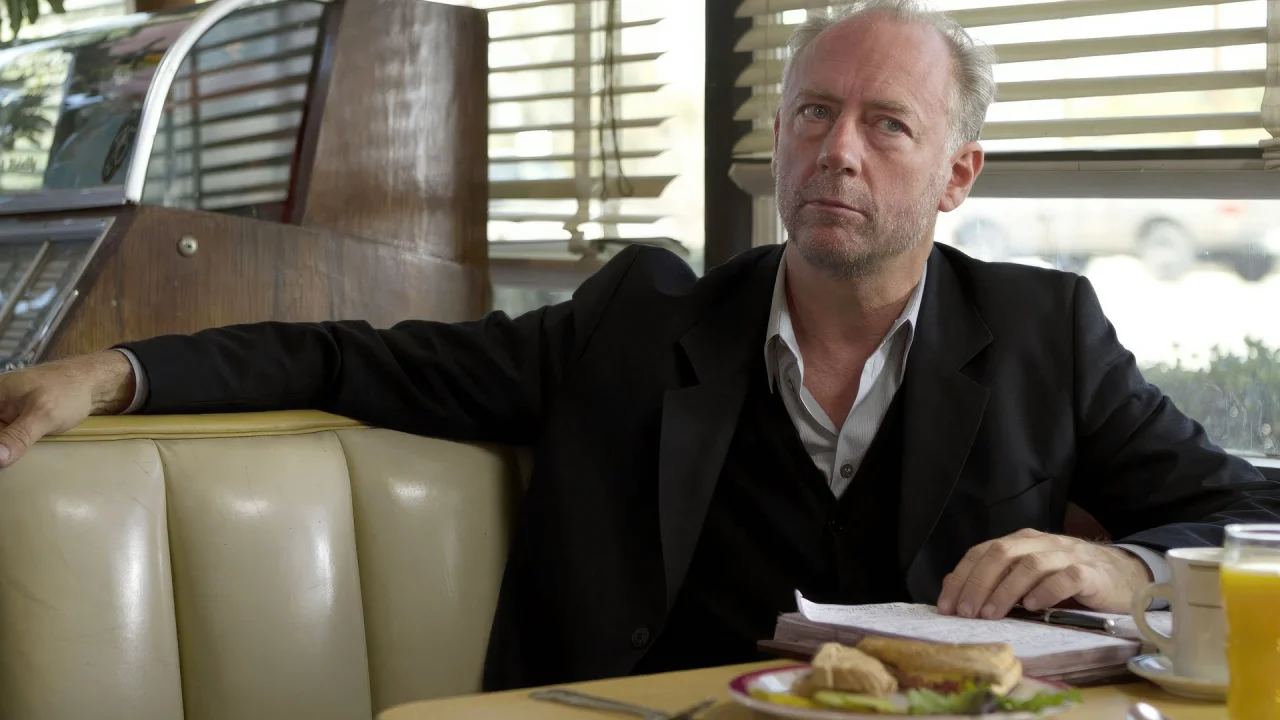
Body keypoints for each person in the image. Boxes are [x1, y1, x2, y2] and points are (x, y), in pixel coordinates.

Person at [1, 0, 1277, 691]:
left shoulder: (1046, 332)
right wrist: (112, 374)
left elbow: (1248, 514)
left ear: (956, 175)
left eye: (886, 125)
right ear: (773, 140)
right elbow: (360, 361)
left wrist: (1125, 570)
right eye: (812, 113)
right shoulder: (641, 323)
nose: (836, 150)